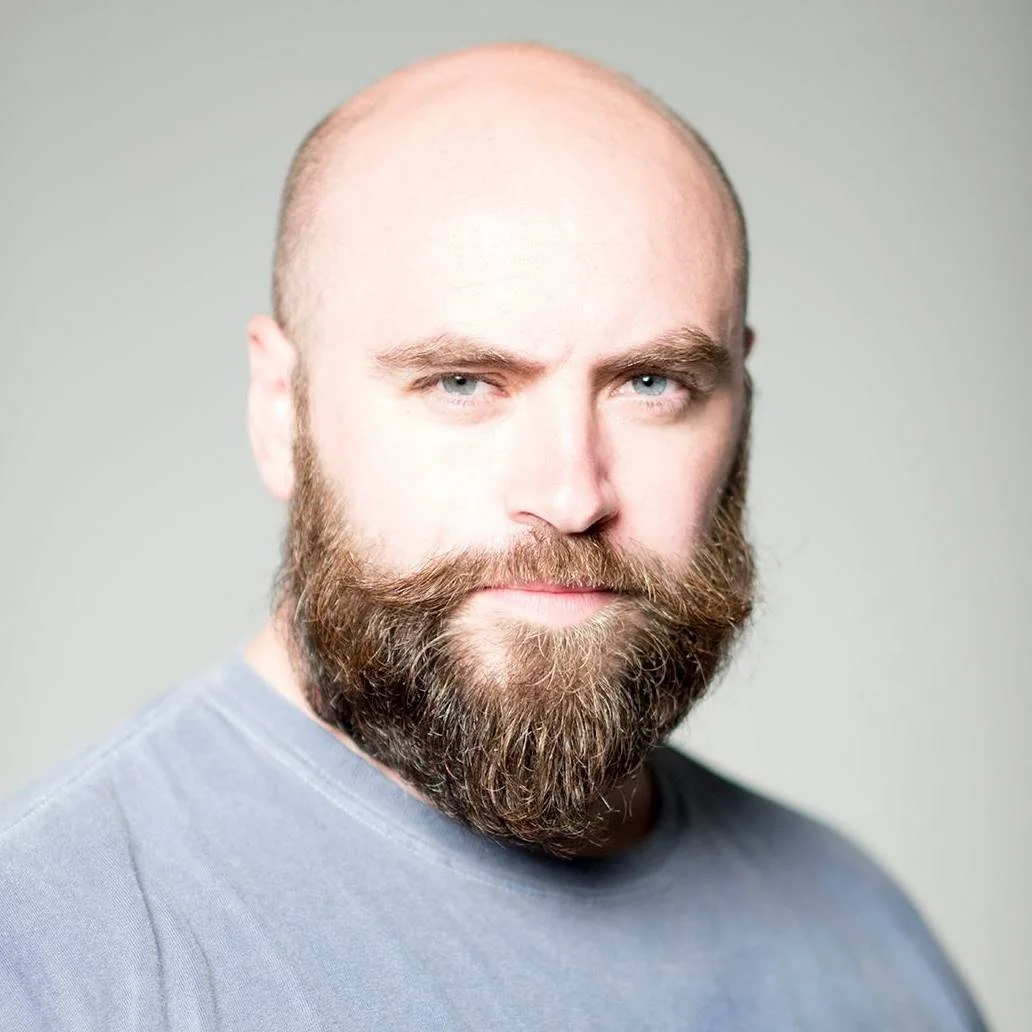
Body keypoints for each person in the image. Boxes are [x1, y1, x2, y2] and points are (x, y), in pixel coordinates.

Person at [0, 41, 989, 1031]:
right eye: (464, 382)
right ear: (278, 411)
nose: (569, 495)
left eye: (652, 383)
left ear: (739, 399)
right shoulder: (48, 953)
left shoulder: (866, 941)